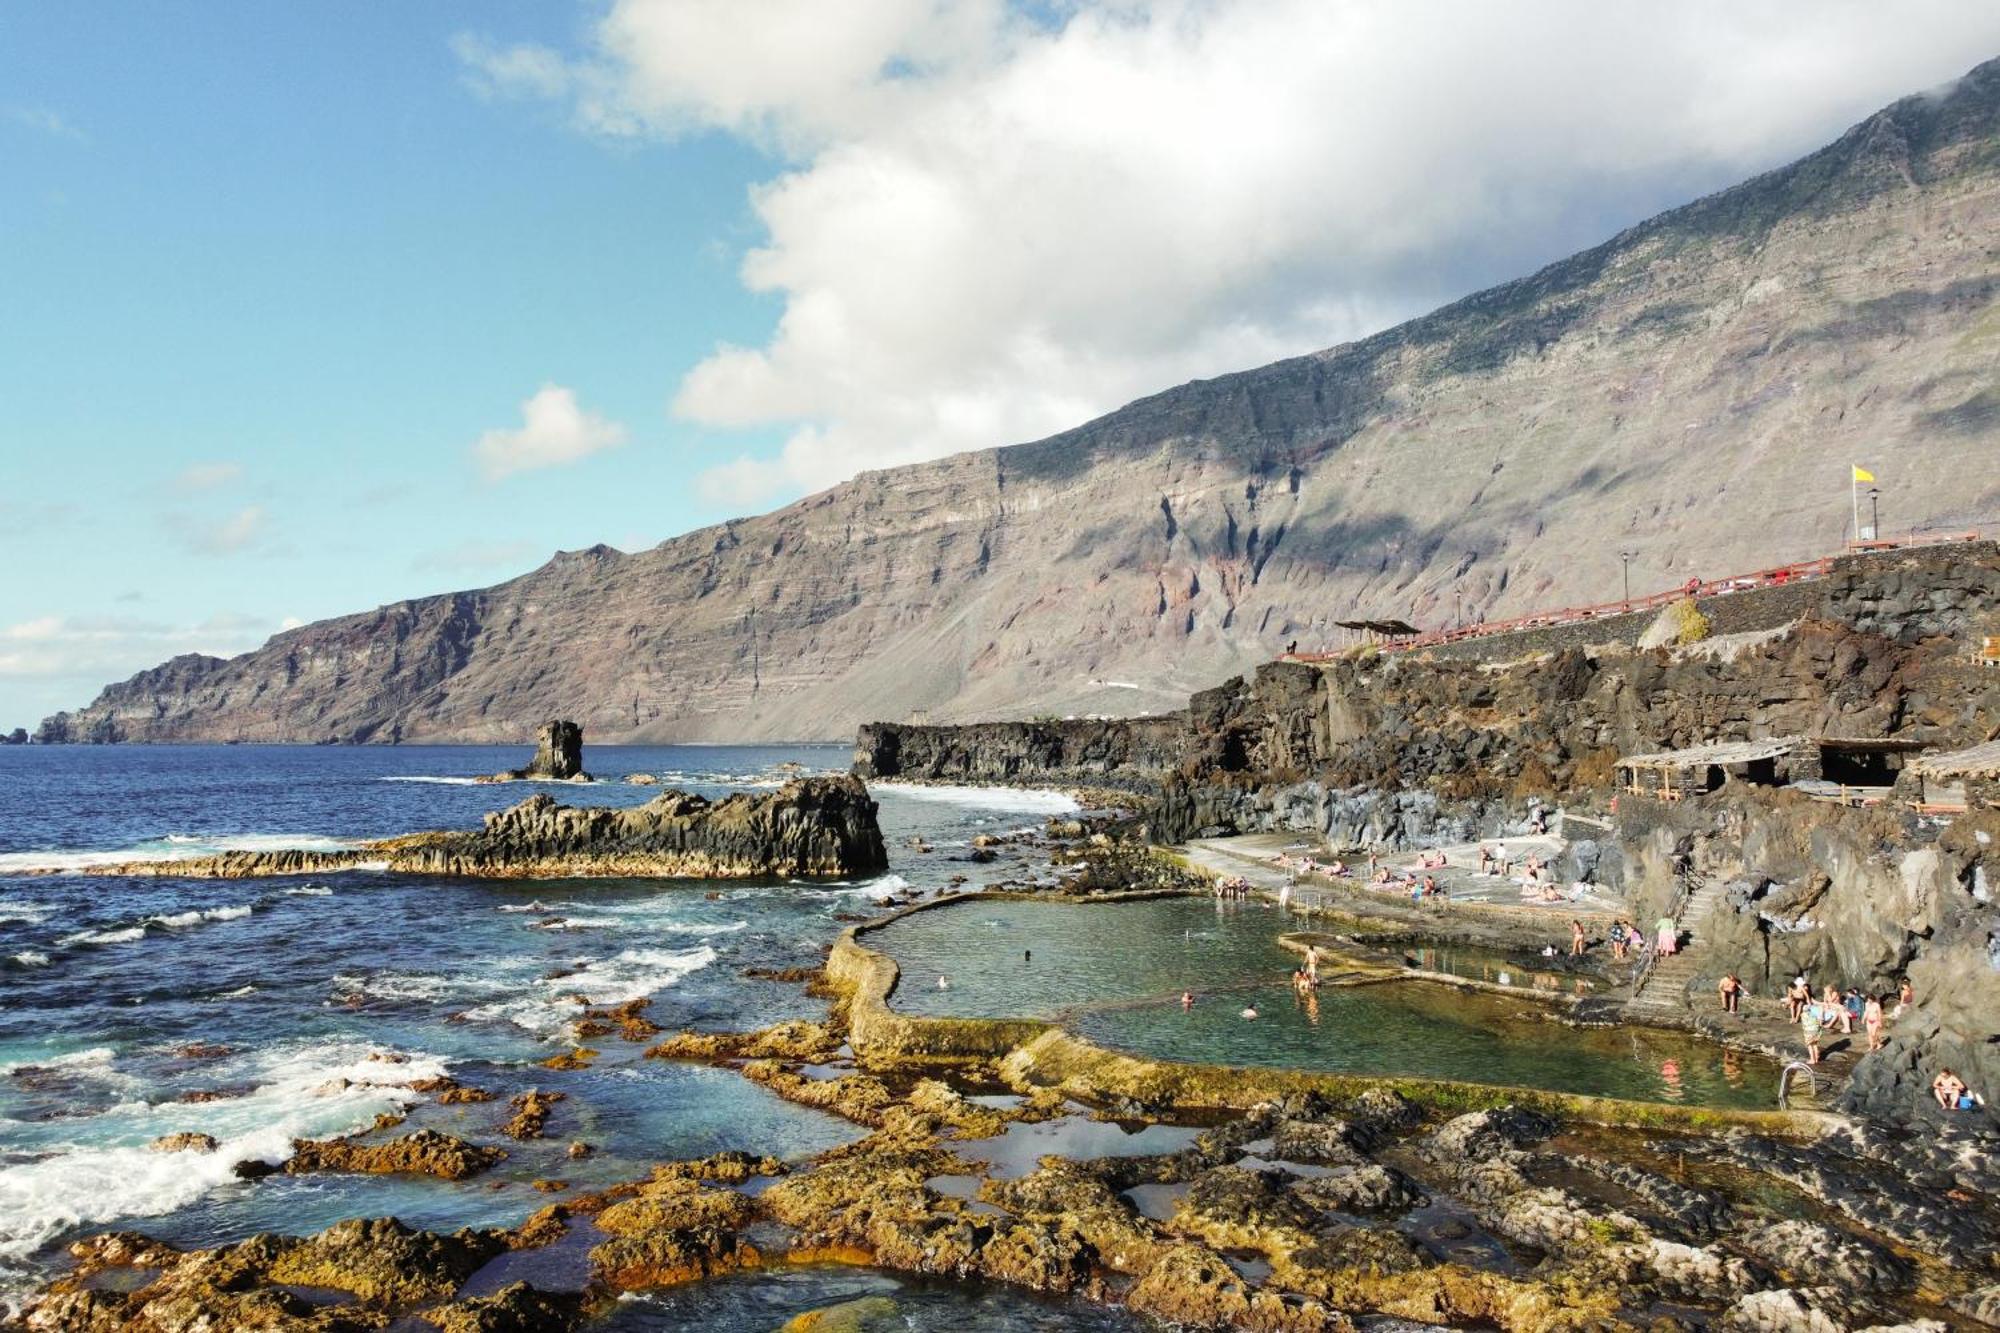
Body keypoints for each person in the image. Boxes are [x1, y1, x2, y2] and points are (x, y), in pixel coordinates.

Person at [1801, 1001, 1823, 1066]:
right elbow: (1819, 1021)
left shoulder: (1803, 1015)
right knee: (1815, 1044)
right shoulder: (1814, 1014)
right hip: (1816, 1031)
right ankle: (1816, 1058)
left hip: (1808, 1032)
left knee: (1810, 1045)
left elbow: (1804, 1024)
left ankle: (1812, 1059)